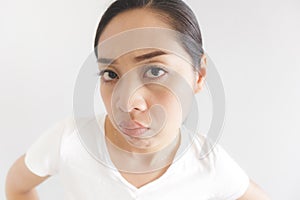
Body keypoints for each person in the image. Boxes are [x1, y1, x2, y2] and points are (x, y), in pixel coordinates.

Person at [5, 0, 270, 199]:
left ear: (199, 74)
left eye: (155, 71)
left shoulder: (208, 163)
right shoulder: (68, 140)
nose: (127, 102)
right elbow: (17, 186)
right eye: (111, 73)